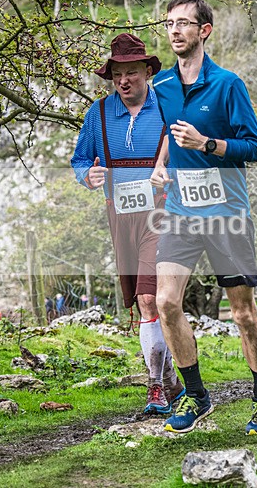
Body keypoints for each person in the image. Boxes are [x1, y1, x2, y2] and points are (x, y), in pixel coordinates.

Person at [149, 0, 257, 434]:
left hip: (226, 214)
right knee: (166, 302)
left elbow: (255, 148)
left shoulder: (228, 85)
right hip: (181, 212)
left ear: (205, 31)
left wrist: (208, 144)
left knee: (242, 313)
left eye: (184, 23)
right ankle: (196, 395)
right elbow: (167, 131)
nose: (175, 30)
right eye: (169, 24)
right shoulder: (161, 87)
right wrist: (161, 164)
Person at [71, 33, 184, 416]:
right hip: (120, 219)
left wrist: (169, 168)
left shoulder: (168, 109)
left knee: (150, 298)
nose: (124, 80)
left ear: (147, 72)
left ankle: (154, 387)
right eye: (118, 73)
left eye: (132, 72)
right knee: (140, 300)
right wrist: (89, 176)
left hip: (162, 215)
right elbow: (80, 160)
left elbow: (189, 155)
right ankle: (169, 380)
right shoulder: (98, 114)